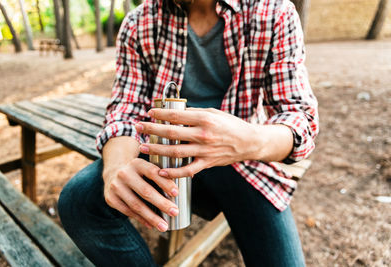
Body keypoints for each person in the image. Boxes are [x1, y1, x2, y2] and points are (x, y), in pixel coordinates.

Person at [58, 0, 319, 266]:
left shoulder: (273, 11)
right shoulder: (139, 22)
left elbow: (300, 119)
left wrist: (249, 139)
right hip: (161, 152)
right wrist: (116, 167)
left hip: (243, 160)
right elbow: (125, 112)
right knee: (78, 200)